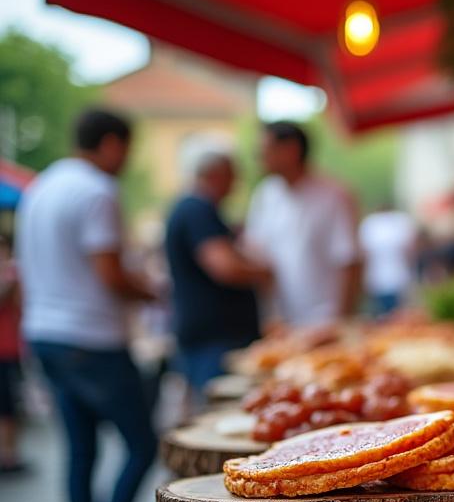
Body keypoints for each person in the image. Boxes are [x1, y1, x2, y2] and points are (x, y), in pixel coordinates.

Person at [15, 108, 162, 502]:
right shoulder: (97, 191)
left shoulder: (42, 187)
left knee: (81, 451)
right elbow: (111, 274)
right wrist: (151, 291)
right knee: (141, 445)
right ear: (111, 144)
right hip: (91, 339)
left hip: (45, 334)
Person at [164, 151, 267, 410]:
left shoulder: (192, 208)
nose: (235, 185)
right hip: (215, 338)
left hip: (210, 335)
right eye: (232, 177)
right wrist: (264, 272)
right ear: (215, 175)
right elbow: (224, 267)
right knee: (223, 409)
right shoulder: (198, 209)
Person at [243, 121, 360, 327]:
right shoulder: (265, 195)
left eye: (266, 151)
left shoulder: (334, 195)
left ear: (291, 150)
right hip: (283, 324)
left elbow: (349, 262)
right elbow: (258, 257)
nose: (261, 160)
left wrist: (340, 321)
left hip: (325, 321)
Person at [358, 203, 419, 316]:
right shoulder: (400, 222)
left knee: (385, 315)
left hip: (379, 279)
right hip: (398, 277)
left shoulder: (370, 224)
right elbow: (410, 252)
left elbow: (364, 255)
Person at [0, 238, 23, 473]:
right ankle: (8, 457)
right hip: (3, 352)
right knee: (6, 406)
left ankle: (10, 453)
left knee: (10, 405)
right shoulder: (9, 275)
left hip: (11, 349)